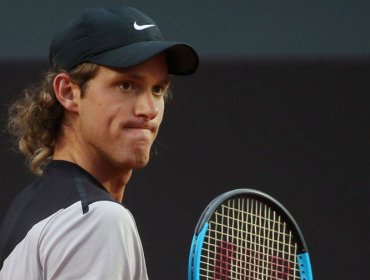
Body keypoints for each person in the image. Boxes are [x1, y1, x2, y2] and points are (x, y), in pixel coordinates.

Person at [0, 6, 198, 280]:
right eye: (126, 85)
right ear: (69, 92)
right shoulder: (96, 219)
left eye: (157, 89)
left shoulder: (31, 208)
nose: (149, 109)